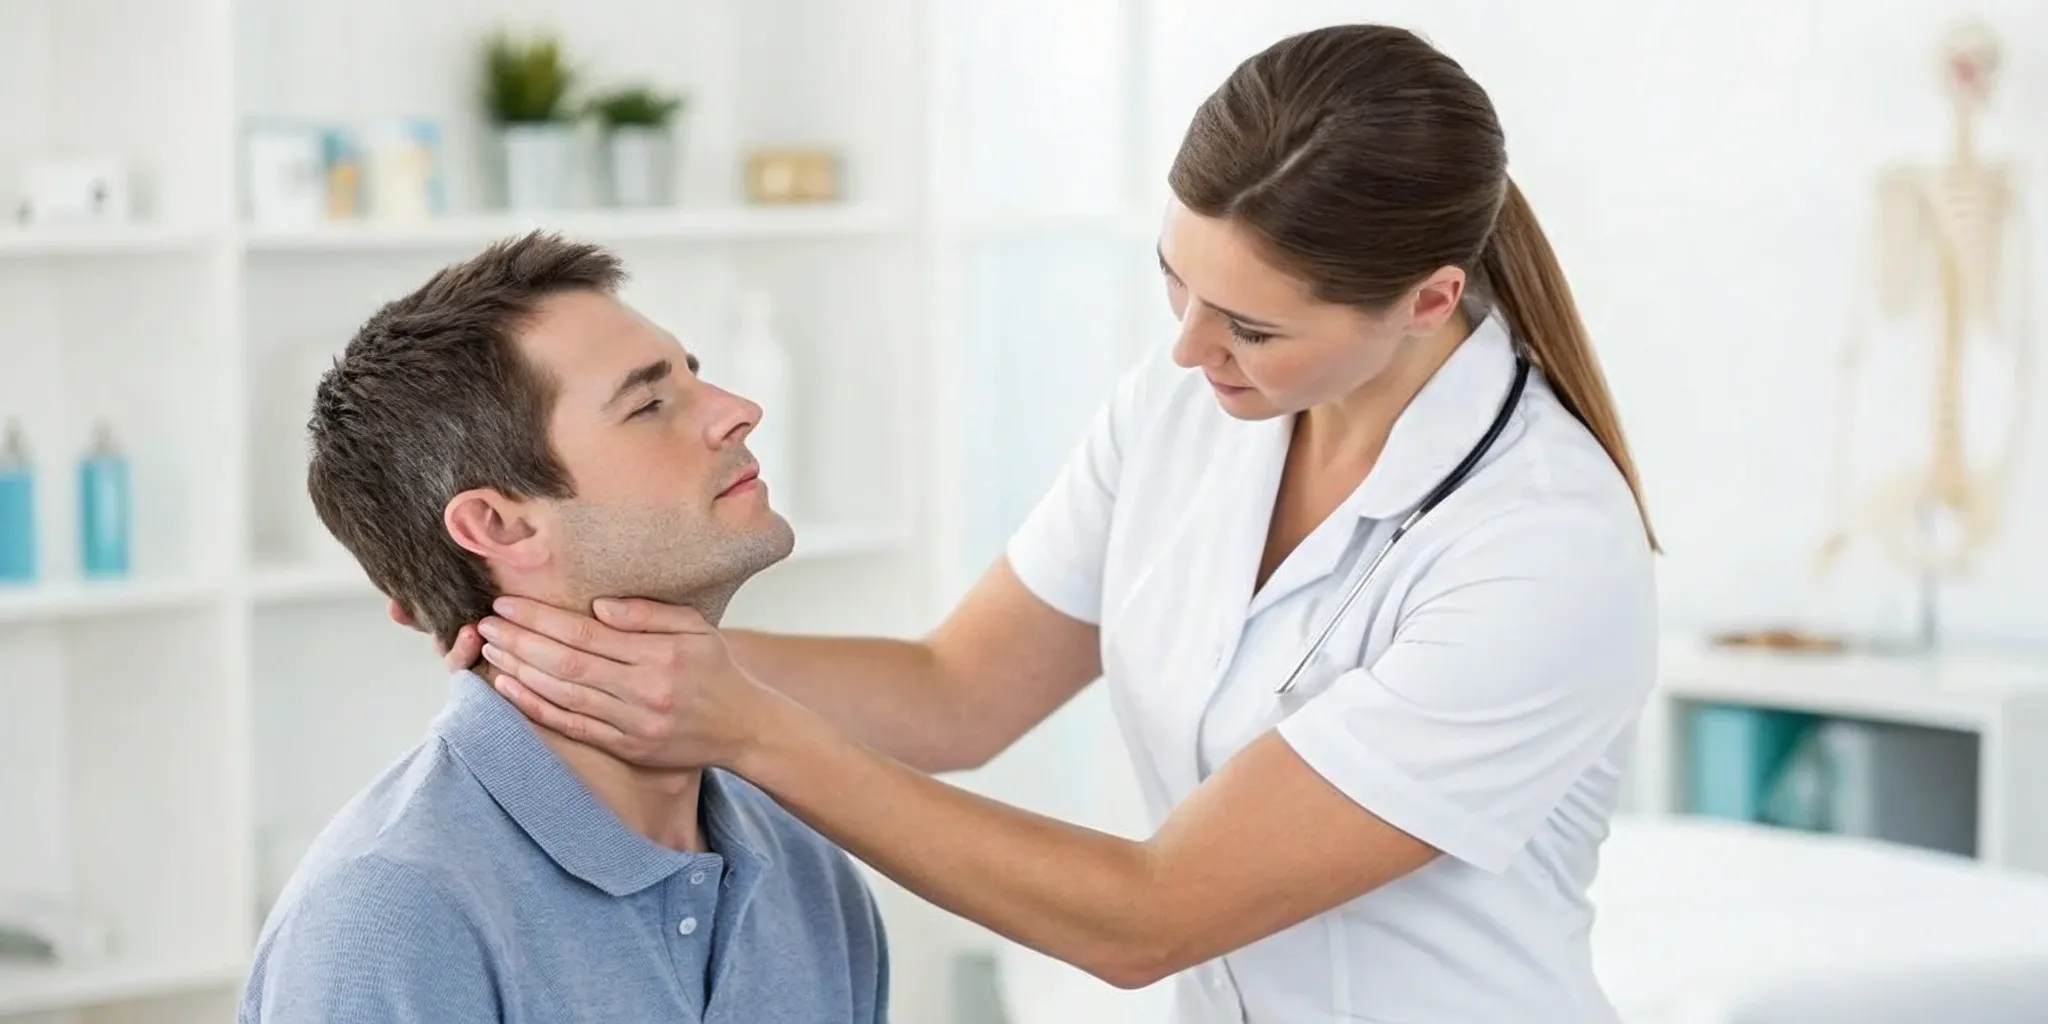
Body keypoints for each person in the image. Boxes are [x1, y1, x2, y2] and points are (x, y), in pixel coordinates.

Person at [448, 24, 1660, 1024]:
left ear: (1428, 301)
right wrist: (584, 646)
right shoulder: (1190, 403)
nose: (1188, 351)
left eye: (1250, 325)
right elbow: (954, 692)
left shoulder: (1538, 549)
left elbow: (1148, 916)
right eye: (1175, 283)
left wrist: (748, 729)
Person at [244, 233, 888, 1024]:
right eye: (649, 404)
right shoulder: (391, 916)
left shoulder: (805, 869)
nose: (739, 411)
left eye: (697, 373)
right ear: (500, 526)